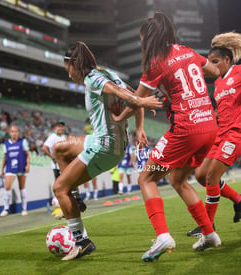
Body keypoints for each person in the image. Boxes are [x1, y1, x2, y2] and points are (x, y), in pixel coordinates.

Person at [113, 12, 222, 261]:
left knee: (146, 179)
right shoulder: (188, 51)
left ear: (149, 38)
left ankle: (162, 236)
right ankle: (209, 233)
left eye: (142, 39)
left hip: (186, 130)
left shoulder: (157, 63)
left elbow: (136, 100)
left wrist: (120, 118)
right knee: (178, 180)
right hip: (209, 125)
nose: (142, 44)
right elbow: (214, 71)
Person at [52, 41, 162, 261]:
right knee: (60, 148)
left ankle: (81, 241)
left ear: (75, 64)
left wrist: (139, 101)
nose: (69, 75)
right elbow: (130, 92)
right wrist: (139, 128)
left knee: (59, 188)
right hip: (109, 142)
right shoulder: (108, 73)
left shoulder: (93, 79)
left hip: (103, 146)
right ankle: (76, 199)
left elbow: (121, 93)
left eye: (68, 70)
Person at [188, 32, 241, 236]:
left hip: (236, 134)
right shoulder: (218, 84)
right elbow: (223, 109)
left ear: (227, 59)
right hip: (220, 135)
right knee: (200, 176)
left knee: (211, 176)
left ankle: (207, 227)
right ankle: (238, 199)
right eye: (209, 62)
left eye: (216, 61)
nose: (212, 66)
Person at [0, 125, 30, 217]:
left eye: (16, 131)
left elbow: (27, 155)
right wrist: (2, 169)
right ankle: (6, 209)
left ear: (18, 132)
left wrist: (28, 165)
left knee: (22, 187)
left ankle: (24, 208)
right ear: (10, 133)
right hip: (10, 167)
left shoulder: (23, 142)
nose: (14, 133)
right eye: (12, 131)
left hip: (21, 166)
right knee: (7, 187)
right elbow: (5, 157)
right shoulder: (6, 144)